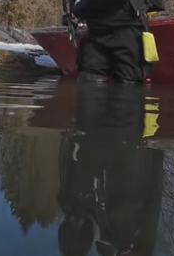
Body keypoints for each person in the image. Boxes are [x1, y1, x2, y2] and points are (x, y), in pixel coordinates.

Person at [57, 83, 163, 256]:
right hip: (127, 137)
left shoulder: (72, 202)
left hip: (115, 135)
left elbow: (68, 162)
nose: (73, 221)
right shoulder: (113, 232)